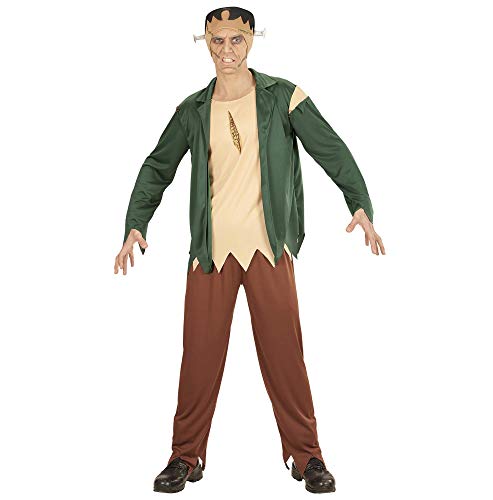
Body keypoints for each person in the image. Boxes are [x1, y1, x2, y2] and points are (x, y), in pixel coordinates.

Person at [114, 6, 385, 494]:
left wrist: (359, 202)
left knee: (285, 357)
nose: (226, 50)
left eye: (235, 40)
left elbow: (331, 149)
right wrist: (136, 223)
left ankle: (307, 456)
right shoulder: (193, 109)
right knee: (198, 358)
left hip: (268, 249)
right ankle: (185, 456)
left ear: (252, 40)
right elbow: (157, 167)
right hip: (211, 254)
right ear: (206, 43)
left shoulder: (284, 97)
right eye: (216, 40)